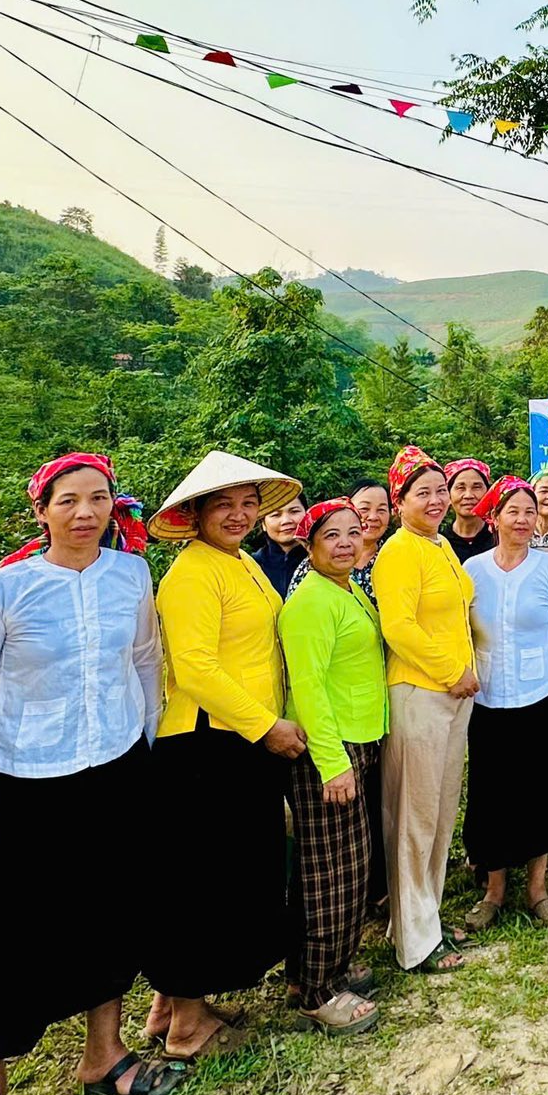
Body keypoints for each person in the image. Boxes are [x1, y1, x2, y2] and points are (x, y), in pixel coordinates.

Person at [0, 454, 178, 1095]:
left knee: (109, 913)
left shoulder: (131, 575)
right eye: (69, 501)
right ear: (41, 511)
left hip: (113, 767)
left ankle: (104, 1056)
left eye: (99, 499)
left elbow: (143, 660)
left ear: (115, 507)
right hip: (26, 780)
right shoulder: (5, 590)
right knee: (6, 932)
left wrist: (144, 751)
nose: (85, 512)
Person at [146, 451, 305, 1058]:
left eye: (246, 504)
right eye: (223, 505)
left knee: (229, 876)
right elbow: (196, 669)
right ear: (195, 514)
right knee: (202, 882)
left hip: (239, 746)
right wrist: (267, 726)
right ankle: (187, 1027)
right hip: (206, 747)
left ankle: (177, 1007)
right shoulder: (191, 574)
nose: (238, 515)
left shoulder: (239, 565)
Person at [279, 499, 388, 1034]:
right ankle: (320, 993)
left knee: (343, 865)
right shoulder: (309, 604)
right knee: (333, 873)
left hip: (357, 739)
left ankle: (314, 972)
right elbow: (309, 690)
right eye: (332, 535)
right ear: (309, 543)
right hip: (330, 751)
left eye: (353, 533)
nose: (345, 542)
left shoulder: (347, 589)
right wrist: (332, 764)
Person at [462, 476, 548, 930]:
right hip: (489, 699)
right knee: (493, 795)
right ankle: (494, 891)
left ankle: (538, 889)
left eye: (530, 512)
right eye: (513, 511)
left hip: (542, 697)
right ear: (494, 518)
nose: (522, 519)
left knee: (541, 794)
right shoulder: (472, 571)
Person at [375, 447, 479, 973]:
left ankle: (424, 917)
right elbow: (400, 628)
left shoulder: (438, 546)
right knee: (414, 819)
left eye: (441, 490)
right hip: (420, 693)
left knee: (439, 815)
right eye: (425, 493)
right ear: (400, 502)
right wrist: (451, 671)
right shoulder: (399, 552)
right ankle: (414, 941)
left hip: (454, 695)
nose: (437, 500)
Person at [347, 477, 395, 911]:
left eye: (382, 508)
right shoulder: (327, 561)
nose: (372, 517)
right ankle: (358, 891)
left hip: (392, 685)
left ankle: (382, 882)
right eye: (364, 507)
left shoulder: (394, 558)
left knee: (385, 788)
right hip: (349, 694)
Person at [249, 491, 309, 597]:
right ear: (263, 524)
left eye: (294, 511)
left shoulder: (323, 560)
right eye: (276, 515)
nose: (286, 520)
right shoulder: (252, 565)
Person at [443, 457, 496, 564]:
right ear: (448, 494)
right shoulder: (440, 543)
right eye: (460, 488)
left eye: (476, 487)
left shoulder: (499, 540)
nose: (468, 495)